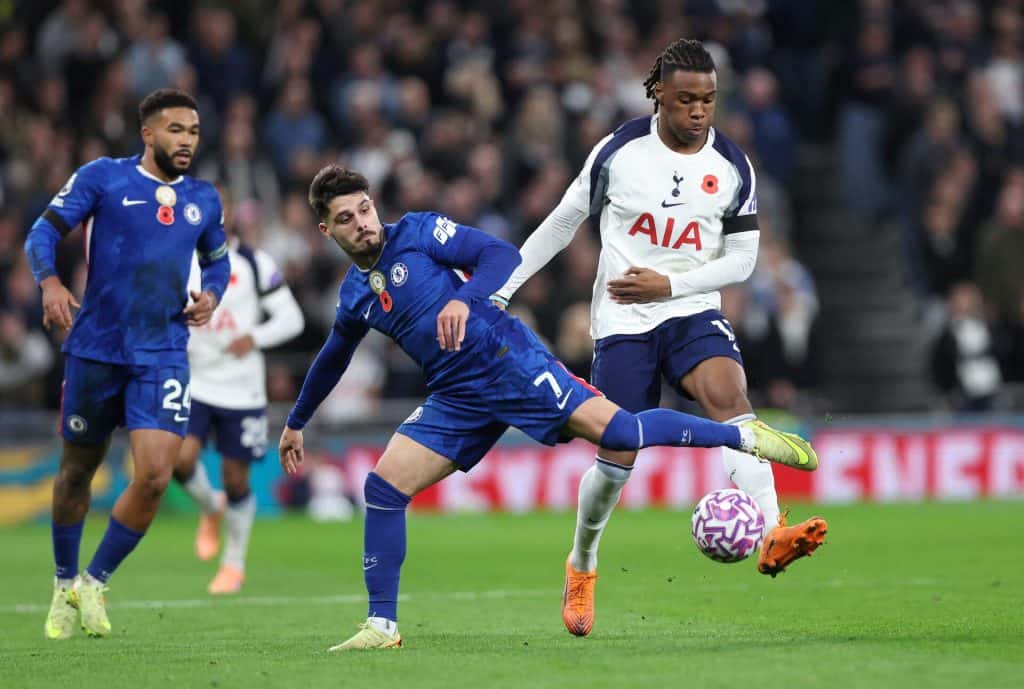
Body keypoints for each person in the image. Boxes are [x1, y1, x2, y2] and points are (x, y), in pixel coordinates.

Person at [277, 164, 819, 651]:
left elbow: (500, 256)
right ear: (327, 231)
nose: (363, 223)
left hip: (505, 359)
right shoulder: (354, 294)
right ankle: (382, 626)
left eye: (365, 209)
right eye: (346, 219)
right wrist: (297, 422)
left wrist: (463, 301)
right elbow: (332, 357)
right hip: (455, 393)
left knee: (623, 433)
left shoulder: (417, 232)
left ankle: (742, 438)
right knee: (383, 488)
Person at [491, 38, 828, 638]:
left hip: (690, 305)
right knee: (617, 453)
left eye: (709, 100)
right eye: (686, 100)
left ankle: (774, 529)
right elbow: (566, 220)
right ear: (659, 97)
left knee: (730, 399)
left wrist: (670, 285)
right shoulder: (619, 153)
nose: (699, 112)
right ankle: (583, 564)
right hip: (622, 317)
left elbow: (743, 261)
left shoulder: (732, 166)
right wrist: (503, 285)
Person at [24, 89, 230, 639]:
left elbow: (218, 261)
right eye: (175, 130)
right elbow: (42, 230)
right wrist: (48, 282)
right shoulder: (103, 178)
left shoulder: (205, 199)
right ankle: (63, 581)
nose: (187, 140)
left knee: (157, 476)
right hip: (96, 349)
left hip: (163, 351)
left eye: (193, 131)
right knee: (75, 474)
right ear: (148, 133)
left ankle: (94, 581)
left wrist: (211, 294)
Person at [171, 188, 305, 594]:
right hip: (194, 381)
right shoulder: (179, 262)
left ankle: (233, 564)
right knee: (179, 460)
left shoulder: (253, 262)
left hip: (242, 389)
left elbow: (292, 319)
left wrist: (255, 336)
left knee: (236, 479)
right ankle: (210, 507)